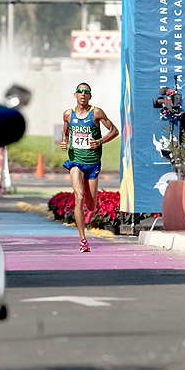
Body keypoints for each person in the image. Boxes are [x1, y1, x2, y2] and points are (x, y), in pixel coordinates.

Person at [60, 83, 119, 252]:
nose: (83, 95)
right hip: (75, 162)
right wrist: (64, 142)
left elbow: (115, 131)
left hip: (92, 164)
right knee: (78, 197)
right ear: (75, 95)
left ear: (90, 96)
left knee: (91, 205)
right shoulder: (68, 114)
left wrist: (99, 141)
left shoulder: (97, 113)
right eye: (80, 92)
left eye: (86, 92)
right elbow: (65, 133)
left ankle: (89, 203)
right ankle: (83, 240)